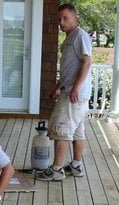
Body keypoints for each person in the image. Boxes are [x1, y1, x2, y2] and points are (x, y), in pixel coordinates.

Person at [36, 3, 92, 181]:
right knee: (77, 131)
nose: (61, 22)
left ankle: (57, 170)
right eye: (59, 19)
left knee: (62, 130)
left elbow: (87, 62)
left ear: (75, 17)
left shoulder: (79, 36)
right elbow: (69, 69)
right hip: (72, 92)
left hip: (74, 95)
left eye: (65, 18)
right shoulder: (68, 39)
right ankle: (76, 165)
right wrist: (57, 87)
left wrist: (74, 88)